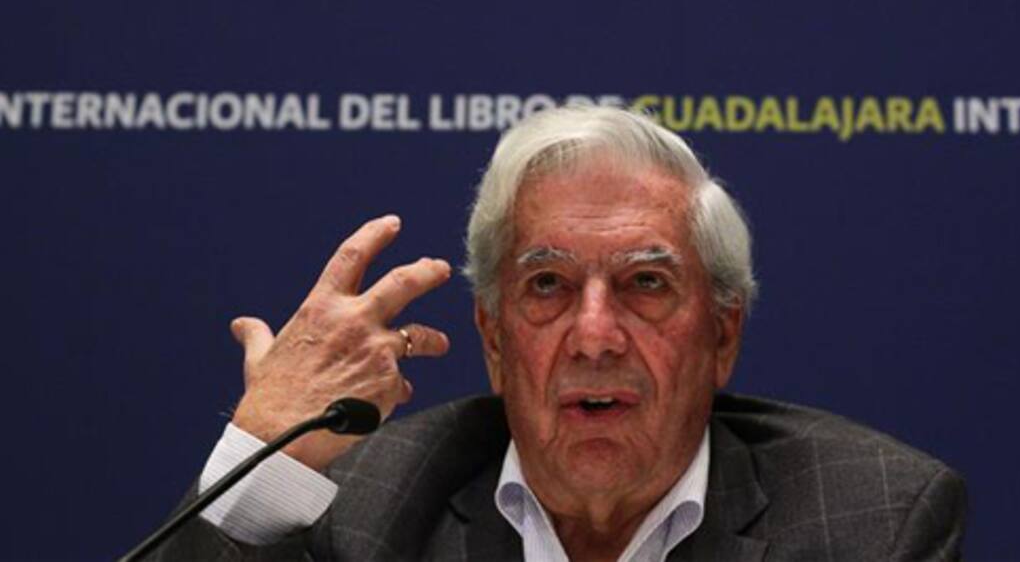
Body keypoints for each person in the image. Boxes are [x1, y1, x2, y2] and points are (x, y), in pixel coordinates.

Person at [150, 106, 966, 561]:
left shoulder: (869, 524)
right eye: (548, 285)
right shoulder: (370, 510)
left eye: (646, 284)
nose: (595, 335)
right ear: (494, 341)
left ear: (723, 336)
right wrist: (267, 452)